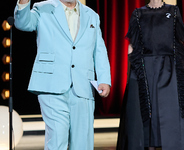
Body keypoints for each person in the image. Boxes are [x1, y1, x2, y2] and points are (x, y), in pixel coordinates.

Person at [14, 0, 111, 149]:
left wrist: (104, 79)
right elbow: (23, 23)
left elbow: (99, 50)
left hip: (83, 86)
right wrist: (23, 2)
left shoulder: (91, 15)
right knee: (57, 139)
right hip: (52, 85)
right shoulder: (43, 8)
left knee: (82, 143)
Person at [117, 0, 184, 150]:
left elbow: (179, 42)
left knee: (170, 110)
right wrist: (131, 73)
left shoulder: (173, 11)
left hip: (168, 68)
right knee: (146, 112)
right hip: (144, 68)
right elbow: (133, 45)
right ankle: (148, 144)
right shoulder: (138, 13)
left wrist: (179, 73)